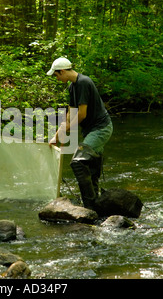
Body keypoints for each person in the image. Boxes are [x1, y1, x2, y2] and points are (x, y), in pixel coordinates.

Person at [47, 57, 113, 213]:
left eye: (56, 75)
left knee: (78, 162)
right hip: (91, 131)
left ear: (62, 71)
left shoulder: (83, 83)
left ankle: (89, 206)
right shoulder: (72, 87)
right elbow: (71, 113)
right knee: (91, 169)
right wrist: (57, 136)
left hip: (101, 129)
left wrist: (68, 128)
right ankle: (96, 205)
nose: (57, 78)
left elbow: (82, 115)